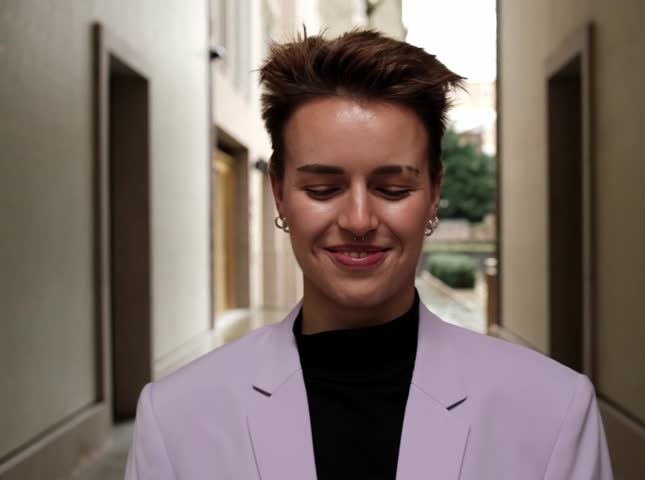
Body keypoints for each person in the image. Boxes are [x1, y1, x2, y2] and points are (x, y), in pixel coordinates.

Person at [125, 29, 613, 480]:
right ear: (279, 192)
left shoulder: (554, 410)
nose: (358, 220)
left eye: (393, 188)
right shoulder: (175, 418)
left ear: (434, 191)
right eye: (322, 188)